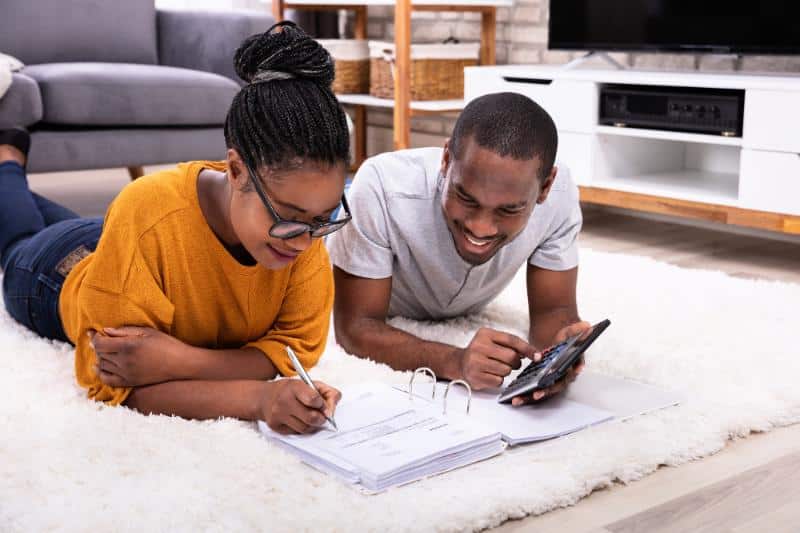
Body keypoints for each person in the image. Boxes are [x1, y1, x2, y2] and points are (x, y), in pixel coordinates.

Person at [0, 22, 350, 434]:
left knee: (90, 224)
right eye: (289, 217)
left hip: (125, 248)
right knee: (18, 241)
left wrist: (181, 361)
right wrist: (257, 398)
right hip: (58, 274)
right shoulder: (147, 210)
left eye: (323, 220)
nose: (306, 241)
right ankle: (8, 162)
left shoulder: (300, 229)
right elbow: (118, 381)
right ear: (236, 170)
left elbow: (291, 352)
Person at [327, 92, 591, 406]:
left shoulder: (559, 195)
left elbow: (552, 311)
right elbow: (354, 327)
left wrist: (554, 358)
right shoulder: (381, 187)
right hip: (348, 227)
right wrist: (454, 361)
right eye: (466, 198)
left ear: (545, 187)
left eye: (507, 211)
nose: (481, 228)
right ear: (446, 160)